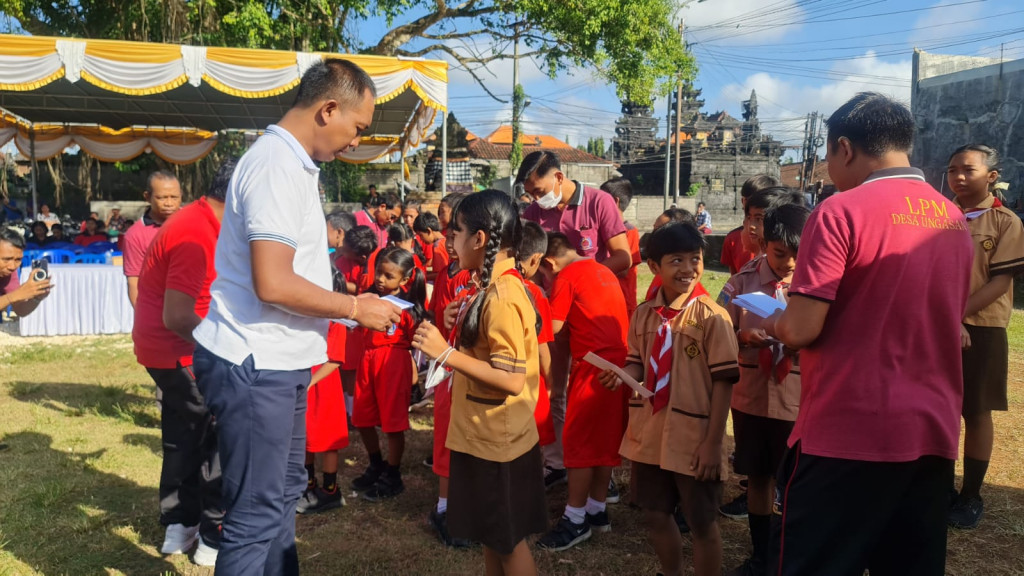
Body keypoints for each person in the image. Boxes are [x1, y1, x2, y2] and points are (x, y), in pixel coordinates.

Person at [190, 59, 401, 575]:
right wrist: (354, 308)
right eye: (358, 127)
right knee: (256, 514)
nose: (357, 140)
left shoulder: (294, 164)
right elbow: (274, 282)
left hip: (277, 363)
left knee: (282, 493)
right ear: (329, 109)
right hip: (255, 361)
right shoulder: (275, 166)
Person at [763, 92, 973, 575]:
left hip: (846, 433)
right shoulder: (954, 220)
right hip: (931, 432)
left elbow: (800, 328)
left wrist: (767, 321)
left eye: (828, 159)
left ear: (845, 148)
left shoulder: (839, 212)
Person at [413, 190, 546, 576]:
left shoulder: (502, 295)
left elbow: (511, 378)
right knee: (492, 537)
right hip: (483, 436)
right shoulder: (488, 287)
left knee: (507, 542)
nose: (448, 241)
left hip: (496, 442)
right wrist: (461, 321)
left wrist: (445, 352)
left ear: (480, 239)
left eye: (455, 232)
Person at [600, 222, 739, 576]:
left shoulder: (713, 318)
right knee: (655, 513)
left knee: (702, 522)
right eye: (676, 260)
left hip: (694, 440)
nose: (689, 269)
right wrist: (623, 374)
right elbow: (638, 359)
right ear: (654, 268)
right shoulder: (645, 315)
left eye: (696, 259)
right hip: (650, 434)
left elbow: (724, 382)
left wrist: (712, 443)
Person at [132, 159, 236, 568]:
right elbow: (178, 316)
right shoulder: (196, 232)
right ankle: (213, 534)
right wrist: (224, 351)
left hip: (166, 350)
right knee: (218, 435)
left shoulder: (200, 220)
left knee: (183, 431)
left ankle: (179, 522)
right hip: (181, 350)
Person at [717, 203, 809, 576]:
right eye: (780, 254)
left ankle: (793, 554)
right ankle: (761, 555)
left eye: (798, 256)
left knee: (798, 482)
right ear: (764, 242)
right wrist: (740, 335)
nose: (789, 264)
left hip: (799, 399)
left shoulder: (815, 284)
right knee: (758, 477)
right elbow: (719, 331)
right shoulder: (742, 282)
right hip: (753, 395)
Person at [946, 144, 1024, 529]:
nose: (959, 176)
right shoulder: (939, 217)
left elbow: (1000, 282)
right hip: (936, 326)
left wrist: (955, 314)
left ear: (992, 176)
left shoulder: (1005, 222)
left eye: (969, 169)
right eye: (952, 170)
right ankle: (939, 484)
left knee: (975, 410)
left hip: (982, 328)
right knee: (938, 406)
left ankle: (970, 494)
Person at [536, 232, 629, 552]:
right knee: (604, 441)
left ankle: (575, 520)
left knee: (577, 444)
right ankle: (596, 509)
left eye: (543, 273)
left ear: (548, 263)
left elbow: (554, 326)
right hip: (620, 366)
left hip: (593, 367)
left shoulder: (566, 276)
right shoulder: (602, 269)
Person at [349, 246, 426, 502]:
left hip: (392, 364)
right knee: (361, 417)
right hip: (367, 362)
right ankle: (376, 464)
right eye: (379, 273)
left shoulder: (407, 308)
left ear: (405, 280)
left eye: (389, 276)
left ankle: (393, 474)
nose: (381, 279)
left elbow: (414, 345)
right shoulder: (367, 300)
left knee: (393, 423)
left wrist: (414, 376)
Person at [518, 151, 632, 274]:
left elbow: (623, 258)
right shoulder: (532, 213)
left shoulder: (599, 202)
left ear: (559, 178)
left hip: (588, 287)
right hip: (549, 292)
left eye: (539, 191)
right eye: (531, 194)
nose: (537, 199)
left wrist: (578, 280)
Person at [301, 269, 352, 515]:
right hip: (305, 383)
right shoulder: (308, 314)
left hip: (323, 387)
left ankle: (330, 492)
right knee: (304, 438)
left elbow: (335, 360)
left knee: (328, 441)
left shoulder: (336, 320)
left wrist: (309, 382)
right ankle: (306, 485)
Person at [124, 171, 183, 307]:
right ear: (147, 197)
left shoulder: (195, 223)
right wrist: (143, 317)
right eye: (162, 198)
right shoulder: (135, 235)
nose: (169, 203)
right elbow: (134, 281)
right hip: (157, 310)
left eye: (174, 197)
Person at [720, 175, 780, 275]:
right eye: (751, 200)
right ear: (743, 201)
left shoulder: (783, 240)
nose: (755, 205)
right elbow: (735, 279)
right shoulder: (732, 239)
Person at [601, 177, 642, 318]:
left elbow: (623, 270)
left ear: (615, 202)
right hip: (605, 297)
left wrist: (592, 270)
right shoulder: (602, 229)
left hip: (623, 299)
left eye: (602, 200)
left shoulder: (629, 231)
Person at [1, 228, 51, 319]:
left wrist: (36, 298)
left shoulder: (9, 273)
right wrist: (14, 295)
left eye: (18, 260)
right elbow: (14, 297)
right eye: (6, 259)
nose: (12, 266)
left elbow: (20, 310)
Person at [413, 212, 447, 281]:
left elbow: (439, 274)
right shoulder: (445, 241)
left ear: (429, 231)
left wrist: (420, 277)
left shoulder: (437, 246)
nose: (421, 239)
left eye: (421, 235)